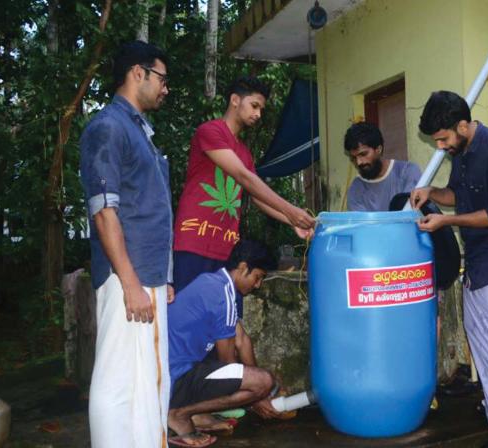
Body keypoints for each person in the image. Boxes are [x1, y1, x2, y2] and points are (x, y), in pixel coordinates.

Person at [411, 91, 488, 448]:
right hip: (477, 263)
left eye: (444, 138)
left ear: (463, 126)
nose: (442, 146)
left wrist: (445, 222)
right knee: (482, 344)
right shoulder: (461, 152)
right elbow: (460, 195)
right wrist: (431, 191)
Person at [80, 40, 173, 447]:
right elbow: (104, 212)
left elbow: (149, 208)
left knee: (147, 378)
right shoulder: (108, 127)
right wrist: (131, 282)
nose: (165, 88)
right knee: (118, 380)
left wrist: (163, 277)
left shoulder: (138, 132)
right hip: (127, 277)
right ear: (139, 73)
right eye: (162, 78)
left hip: (145, 274)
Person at [172, 76, 315, 295]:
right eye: (254, 106)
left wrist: (291, 221)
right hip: (193, 241)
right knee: (187, 314)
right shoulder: (210, 131)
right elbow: (243, 177)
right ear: (235, 100)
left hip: (226, 249)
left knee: (223, 321)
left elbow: (256, 195)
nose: (258, 114)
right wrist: (290, 210)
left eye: (261, 109)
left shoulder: (244, 153)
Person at [167, 241, 281, 447]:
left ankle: (195, 413)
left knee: (261, 382)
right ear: (243, 267)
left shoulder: (214, 283)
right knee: (263, 381)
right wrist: (257, 397)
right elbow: (229, 364)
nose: (258, 285)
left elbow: (242, 340)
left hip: (171, 375)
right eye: (258, 277)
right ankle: (180, 414)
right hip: (174, 380)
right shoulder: (223, 296)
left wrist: (262, 394)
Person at [344, 121, 422, 211]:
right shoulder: (356, 188)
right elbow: (362, 224)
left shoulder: (407, 172)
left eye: (363, 154)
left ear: (378, 149)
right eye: (354, 158)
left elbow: (410, 214)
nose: (359, 162)